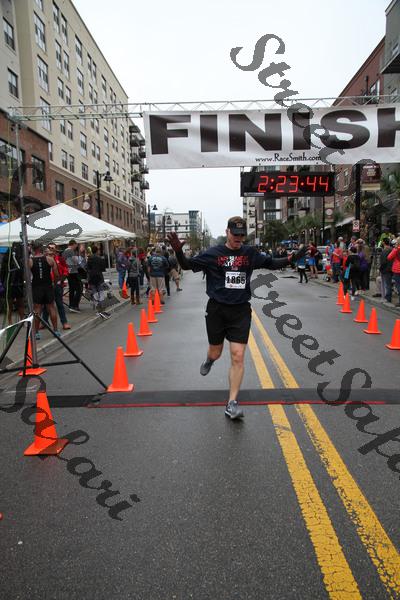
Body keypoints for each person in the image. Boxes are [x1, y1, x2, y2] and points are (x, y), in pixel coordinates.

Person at [167, 216, 305, 420]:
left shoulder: (249, 253)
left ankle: (232, 403)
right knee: (216, 352)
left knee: (238, 355)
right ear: (227, 232)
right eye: (235, 234)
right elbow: (187, 266)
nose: (239, 238)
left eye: (242, 235)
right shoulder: (213, 253)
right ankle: (210, 359)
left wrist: (291, 259)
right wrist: (178, 252)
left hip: (240, 310)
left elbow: (271, 263)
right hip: (216, 309)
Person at [29, 241, 60, 339]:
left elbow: (25, 277)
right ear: (41, 249)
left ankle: (36, 333)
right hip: (48, 286)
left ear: (33, 249)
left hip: (36, 287)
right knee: (51, 307)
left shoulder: (30, 261)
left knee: (37, 309)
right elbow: (56, 274)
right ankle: (56, 331)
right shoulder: (50, 259)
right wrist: (54, 283)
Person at [42, 243, 71, 331]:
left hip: (57, 284)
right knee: (46, 305)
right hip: (47, 285)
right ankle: (44, 322)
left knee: (59, 304)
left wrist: (61, 280)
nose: (51, 249)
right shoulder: (44, 259)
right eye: (49, 248)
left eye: (52, 248)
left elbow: (66, 270)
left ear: (55, 250)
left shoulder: (60, 259)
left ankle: (64, 322)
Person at [0, 244, 25, 325]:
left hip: (15, 284)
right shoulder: (8, 262)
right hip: (11, 285)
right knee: (13, 305)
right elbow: (2, 274)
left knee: (17, 304)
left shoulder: (18, 260)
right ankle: (12, 322)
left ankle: (18, 321)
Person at [63, 239, 82, 312]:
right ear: (73, 244)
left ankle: (71, 305)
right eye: (76, 245)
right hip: (73, 271)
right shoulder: (70, 251)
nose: (76, 247)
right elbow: (76, 260)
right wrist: (79, 257)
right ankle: (74, 305)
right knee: (79, 289)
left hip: (68, 272)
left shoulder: (64, 251)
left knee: (72, 289)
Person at [379, 238, 393, 306]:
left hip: (386, 269)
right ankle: (387, 297)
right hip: (391, 269)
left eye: (382, 241)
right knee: (388, 284)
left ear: (384, 242)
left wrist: (380, 268)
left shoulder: (385, 251)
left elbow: (383, 262)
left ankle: (387, 298)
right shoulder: (392, 249)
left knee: (386, 284)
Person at [388, 237, 400, 308]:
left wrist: (395, 248)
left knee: (398, 286)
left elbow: (389, 257)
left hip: (397, 270)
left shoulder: (396, 249)